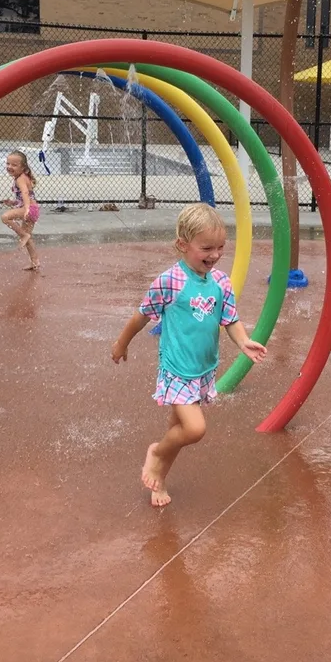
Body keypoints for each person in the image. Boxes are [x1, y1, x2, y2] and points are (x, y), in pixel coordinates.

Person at [111, 203, 267, 507]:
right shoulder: (170, 281)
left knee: (177, 431)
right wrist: (121, 343)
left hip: (203, 369)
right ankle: (155, 453)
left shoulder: (221, 282)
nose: (215, 254)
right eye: (206, 247)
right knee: (194, 429)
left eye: (221, 247)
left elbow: (230, 320)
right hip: (177, 369)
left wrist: (244, 342)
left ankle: (159, 480)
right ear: (183, 245)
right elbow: (142, 316)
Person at [1, 150, 40, 271]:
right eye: (8, 164)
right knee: (29, 240)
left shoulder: (20, 179)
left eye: (14, 165)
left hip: (29, 209)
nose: (9, 167)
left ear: (23, 167)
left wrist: (27, 208)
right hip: (33, 209)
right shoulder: (22, 177)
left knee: (5, 217)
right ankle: (35, 262)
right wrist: (12, 202)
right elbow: (24, 196)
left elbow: (25, 193)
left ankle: (23, 235)